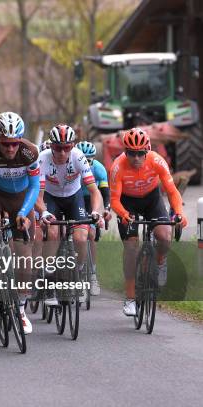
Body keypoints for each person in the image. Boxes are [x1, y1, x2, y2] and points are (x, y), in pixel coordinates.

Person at [109, 128, 187, 316]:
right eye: (131, 153)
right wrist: (123, 214)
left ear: (147, 150)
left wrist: (178, 213)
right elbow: (114, 201)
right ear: (125, 152)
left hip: (152, 200)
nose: (136, 158)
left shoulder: (157, 161)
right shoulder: (117, 166)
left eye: (140, 153)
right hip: (127, 204)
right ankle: (130, 298)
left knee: (164, 235)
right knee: (131, 247)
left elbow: (172, 191)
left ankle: (160, 262)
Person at [0, 112, 40, 334]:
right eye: (5, 144)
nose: (10, 149)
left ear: (20, 140)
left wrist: (23, 212)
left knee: (25, 253)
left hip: (21, 197)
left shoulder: (30, 152)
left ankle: (20, 309)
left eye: (14, 144)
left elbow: (34, 187)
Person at [36, 124, 104, 307]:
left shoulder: (78, 157)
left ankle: (79, 272)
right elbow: (38, 195)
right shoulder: (42, 159)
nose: (62, 152)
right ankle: (49, 281)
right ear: (51, 146)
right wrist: (43, 212)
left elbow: (94, 191)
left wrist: (97, 211)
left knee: (81, 237)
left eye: (67, 147)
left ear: (73, 146)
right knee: (52, 233)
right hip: (51, 198)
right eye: (58, 148)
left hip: (74, 198)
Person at [75, 140, 112, 295]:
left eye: (88, 160)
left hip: (91, 200)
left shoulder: (98, 169)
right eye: (83, 159)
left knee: (91, 235)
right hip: (77, 199)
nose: (86, 163)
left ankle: (92, 275)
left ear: (93, 159)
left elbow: (104, 192)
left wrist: (107, 209)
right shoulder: (73, 166)